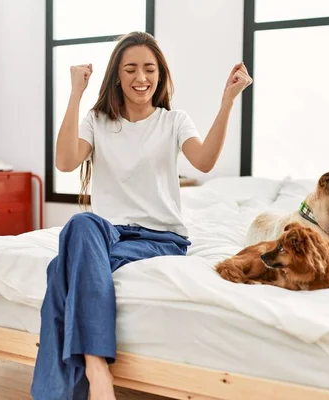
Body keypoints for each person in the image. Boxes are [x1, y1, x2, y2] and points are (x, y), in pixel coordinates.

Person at [30, 31, 252, 400]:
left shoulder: (174, 121)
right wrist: (75, 93)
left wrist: (228, 100)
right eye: (130, 69)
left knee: (60, 269)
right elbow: (65, 161)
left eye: (149, 69)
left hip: (160, 238)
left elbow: (205, 160)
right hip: (107, 233)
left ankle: (77, 382)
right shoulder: (97, 120)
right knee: (81, 223)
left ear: (160, 75)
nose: (141, 77)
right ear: (117, 76)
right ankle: (97, 366)